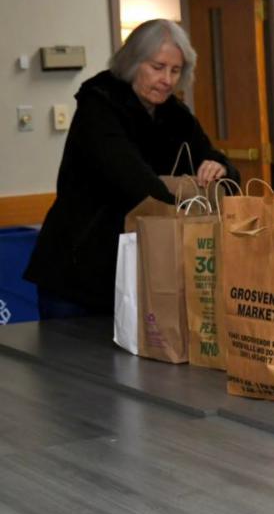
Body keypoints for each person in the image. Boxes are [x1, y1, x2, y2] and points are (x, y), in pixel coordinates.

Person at [25, 19, 238, 319]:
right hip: (79, 270)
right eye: (157, 66)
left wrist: (219, 166)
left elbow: (220, 167)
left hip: (139, 271)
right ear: (133, 61)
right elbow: (131, 179)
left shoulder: (176, 115)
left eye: (175, 71)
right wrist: (184, 206)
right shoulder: (99, 104)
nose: (166, 79)